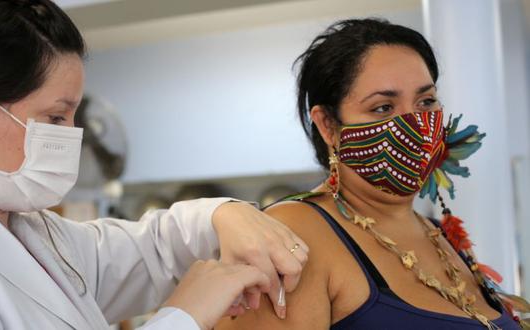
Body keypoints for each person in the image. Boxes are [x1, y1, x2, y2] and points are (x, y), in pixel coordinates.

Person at [0, 1, 310, 329]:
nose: (73, 137)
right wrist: (183, 317)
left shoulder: (39, 236)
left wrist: (223, 215)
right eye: (56, 117)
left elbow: (153, 249)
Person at [217, 18, 527, 329]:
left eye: (426, 101)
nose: (416, 125)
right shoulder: (293, 234)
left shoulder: (442, 235)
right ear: (328, 125)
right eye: (383, 107)